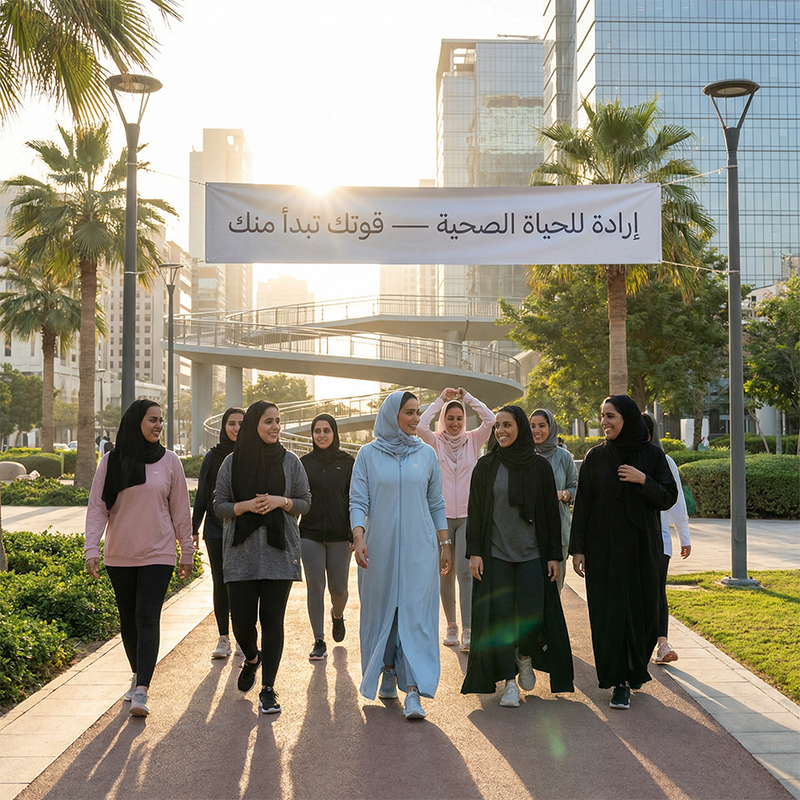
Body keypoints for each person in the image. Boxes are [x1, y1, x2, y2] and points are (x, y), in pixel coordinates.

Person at [85, 399, 194, 718]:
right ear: (136, 422)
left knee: (147, 616)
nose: (159, 425)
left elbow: (180, 510)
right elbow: (97, 508)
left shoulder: (170, 461)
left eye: (161, 420)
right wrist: (92, 548)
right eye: (152, 420)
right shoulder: (111, 462)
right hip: (120, 554)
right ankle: (136, 675)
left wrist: (186, 550)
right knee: (129, 621)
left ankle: (143, 688)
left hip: (158, 553)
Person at [569, 395, 678, 710]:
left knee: (645, 611)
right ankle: (618, 681)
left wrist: (643, 480)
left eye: (611, 416)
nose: (604, 422)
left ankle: (635, 668)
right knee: (610, 615)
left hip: (642, 549)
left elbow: (669, 497)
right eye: (602, 416)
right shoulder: (595, 457)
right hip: (603, 550)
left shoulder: (652, 456)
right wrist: (578, 549)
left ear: (627, 419)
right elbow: (584, 505)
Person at [461, 405, 574, 707]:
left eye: (507, 425)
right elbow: (476, 512)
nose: (501, 431)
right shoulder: (486, 466)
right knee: (501, 619)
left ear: (520, 428)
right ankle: (509, 682)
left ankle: (524, 656)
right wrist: (474, 552)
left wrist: (554, 555)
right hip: (496, 555)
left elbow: (549, 515)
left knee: (532, 615)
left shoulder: (540, 468)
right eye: (497, 426)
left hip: (532, 556)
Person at [350, 390, 452, 720]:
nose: (415, 418)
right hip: (378, 550)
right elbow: (358, 500)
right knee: (384, 614)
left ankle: (413, 691)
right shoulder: (367, 455)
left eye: (418, 412)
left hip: (420, 550)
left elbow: (436, 502)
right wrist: (358, 537)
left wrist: (445, 543)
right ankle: (387, 669)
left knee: (415, 617)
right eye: (409, 412)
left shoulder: (426, 454)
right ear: (391, 415)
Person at [213, 401, 311, 715]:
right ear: (255, 424)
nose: (275, 427)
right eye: (269, 421)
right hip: (240, 555)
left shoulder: (291, 461)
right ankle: (253, 658)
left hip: (279, 554)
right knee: (242, 623)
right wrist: (245, 507)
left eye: (278, 421)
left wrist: (281, 501)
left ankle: (268, 688)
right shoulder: (231, 462)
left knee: (272, 621)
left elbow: (305, 501)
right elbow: (219, 505)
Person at [418, 387, 494, 651]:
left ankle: (468, 629)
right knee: (445, 572)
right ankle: (451, 626)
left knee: (465, 572)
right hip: (440, 518)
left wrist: (467, 398)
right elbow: (420, 424)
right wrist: (441, 399)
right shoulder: (434, 441)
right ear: (443, 418)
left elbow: (491, 420)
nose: (454, 423)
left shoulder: (473, 440)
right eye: (450, 418)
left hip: (467, 517)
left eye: (459, 418)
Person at [299, 413, 355, 661]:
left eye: (326, 430)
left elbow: (354, 498)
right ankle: (319, 640)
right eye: (317, 431)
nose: (321, 435)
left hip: (340, 535)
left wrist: (355, 531)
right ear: (312, 434)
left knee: (339, 590)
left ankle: (338, 615)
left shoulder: (348, 462)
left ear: (334, 433)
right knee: (315, 587)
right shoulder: (303, 463)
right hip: (309, 534)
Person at [192, 406, 245, 659]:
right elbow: (203, 493)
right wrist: (194, 527)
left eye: (241, 423)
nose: (236, 428)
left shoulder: (252, 455)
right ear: (224, 427)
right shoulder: (213, 457)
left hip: (244, 529)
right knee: (220, 583)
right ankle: (223, 637)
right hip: (215, 528)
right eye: (231, 423)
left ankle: (244, 636)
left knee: (242, 585)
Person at [642, 413, 692, 664]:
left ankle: (662, 644)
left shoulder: (664, 460)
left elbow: (677, 501)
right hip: (630, 541)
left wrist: (685, 537)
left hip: (660, 539)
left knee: (657, 591)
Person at [529, 408, 578, 592]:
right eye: (533, 426)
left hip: (559, 528)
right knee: (534, 586)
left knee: (555, 586)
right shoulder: (525, 455)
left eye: (542, 426)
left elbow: (575, 487)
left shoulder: (563, 456)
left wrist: (562, 494)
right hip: (530, 531)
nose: (536, 430)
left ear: (551, 428)